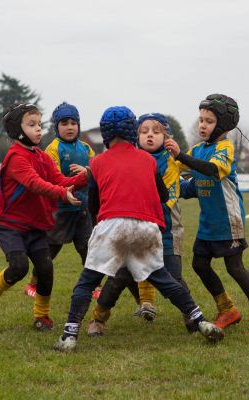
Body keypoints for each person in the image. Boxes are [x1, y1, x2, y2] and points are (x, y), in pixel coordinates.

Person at [54, 106, 224, 351]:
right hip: (146, 227)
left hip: (111, 226)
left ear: (105, 132)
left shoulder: (98, 162)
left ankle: (69, 336)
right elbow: (163, 194)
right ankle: (201, 321)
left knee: (88, 281)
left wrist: (98, 229)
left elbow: (94, 203)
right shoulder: (146, 159)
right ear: (132, 130)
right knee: (164, 280)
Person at [164, 94, 249, 336]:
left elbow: (212, 171)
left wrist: (180, 156)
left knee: (234, 267)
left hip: (228, 221)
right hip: (208, 223)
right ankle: (227, 310)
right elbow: (181, 176)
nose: (202, 125)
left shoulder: (225, 148)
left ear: (222, 126)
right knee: (199, 264)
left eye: (209, 121)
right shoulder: (198, 150)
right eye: (201, 120)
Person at [0, 103, 89, 331]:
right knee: (18, 267)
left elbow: (61, 180)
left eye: (39, 124)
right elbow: (35, 184)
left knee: (46, 270)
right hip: (9, 225)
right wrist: (63, 195)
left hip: (36, 225)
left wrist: (87, 177)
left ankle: (41, 316)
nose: (39, 130)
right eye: (32, 125)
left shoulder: (42, 156)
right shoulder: (16, 157)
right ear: (18, 130)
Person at [86, 112, 191, 336]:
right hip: (135, 228)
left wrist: (182, 156)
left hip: (168, 229)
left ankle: (191, 316)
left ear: (167, 136)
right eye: (144, 132)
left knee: (174, 276)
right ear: (134, 135)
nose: (149, 136)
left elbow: (195, 173)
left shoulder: (175, 159)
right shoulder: (131, 159)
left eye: (156, 131)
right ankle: (98, 318)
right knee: (118, 277)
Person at [23, 102, 97, 299]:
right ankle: (33, 282)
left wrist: (90, 172)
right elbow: (52, 177)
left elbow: (98, 170)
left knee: (88, 250)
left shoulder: (87, 148)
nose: (70, 127)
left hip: (83, 209)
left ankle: (93, 286)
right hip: (61, 210)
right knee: (49, 250)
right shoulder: (52, 149)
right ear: (56, 126)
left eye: (74, 122)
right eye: (64, 123)